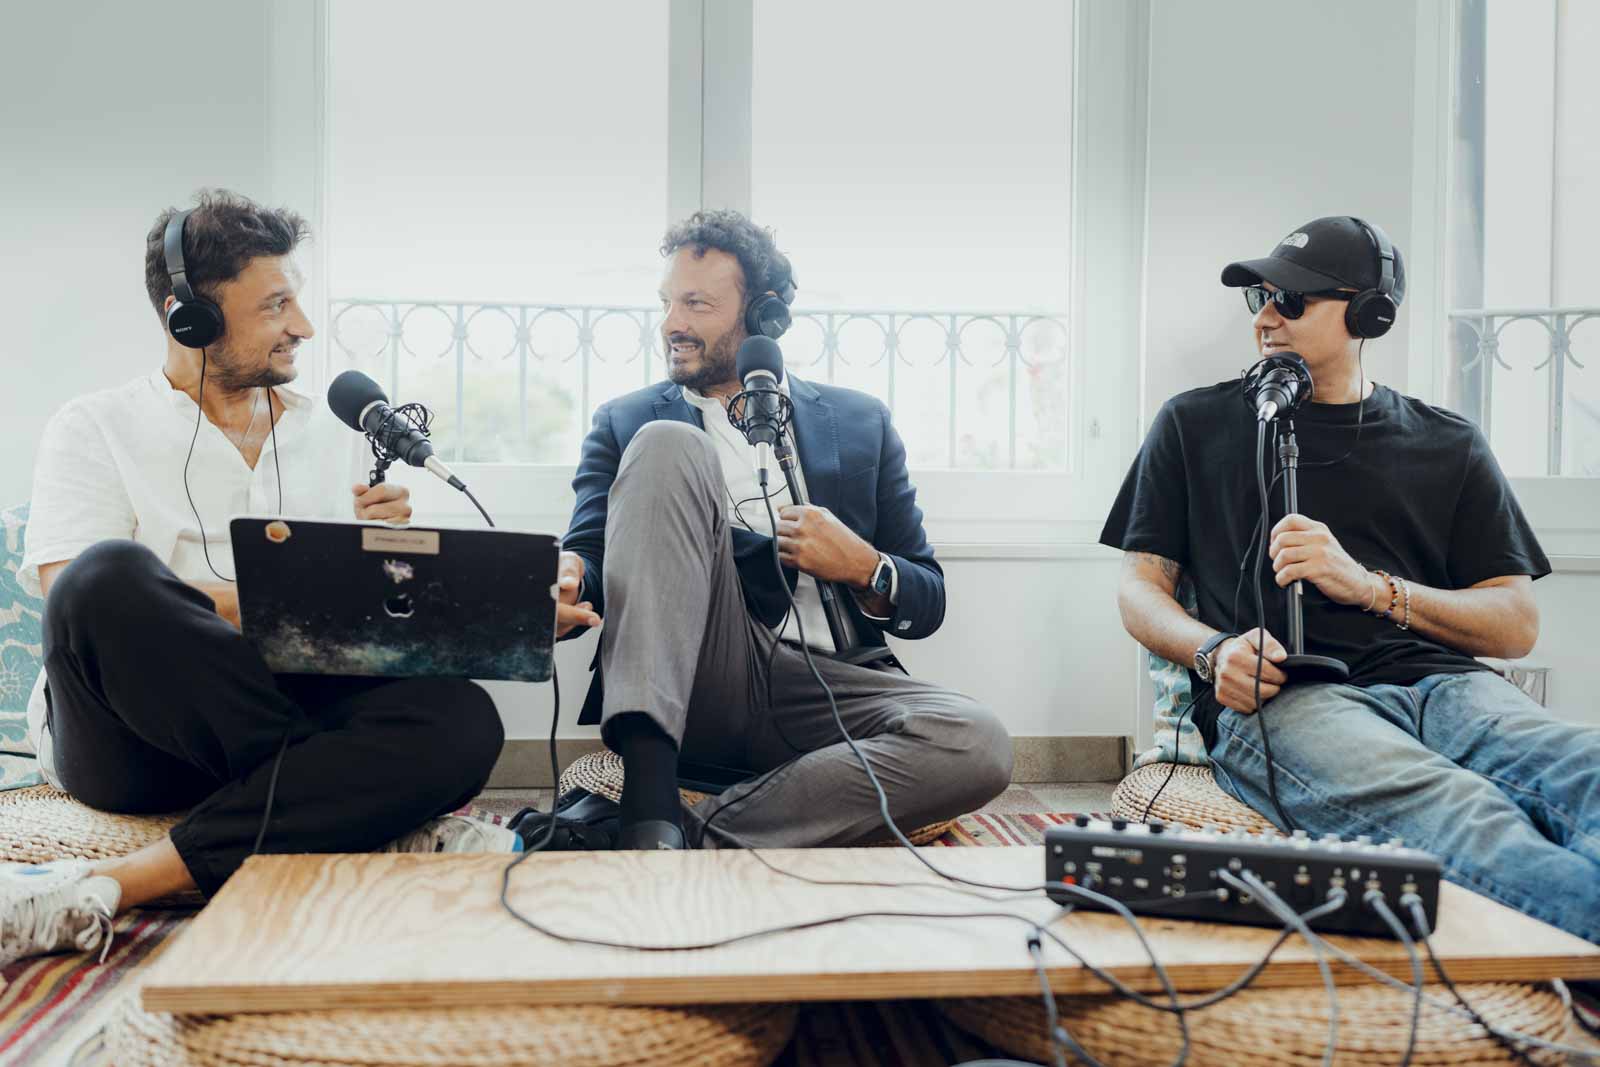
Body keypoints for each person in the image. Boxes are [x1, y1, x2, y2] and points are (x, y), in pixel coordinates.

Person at [0, 190, 513, 970]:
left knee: (465, 717)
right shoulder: (93, 425)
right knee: (104, 576)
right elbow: (72, 601)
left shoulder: (333, 435)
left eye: (296, 300)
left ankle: (120, 881)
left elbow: (358, 634)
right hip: (131, 736)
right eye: (276, 305)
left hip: (284, 694)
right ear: (189, 317)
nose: (303, 326)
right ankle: (357, 807)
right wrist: (273, 606)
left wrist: (395, 567)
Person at [1102, 215, 1600, 945]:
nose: (1265, 318)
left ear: (1370, 314)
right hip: (1289, 699)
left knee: (1587, 768)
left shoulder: (1450, 442)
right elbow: (1139, 587)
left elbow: (1515, 624)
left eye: (1290, 300)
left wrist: (1370, 587)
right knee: (1463, 811)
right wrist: (1213, 651)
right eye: (1259, 299)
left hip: (1448, 687)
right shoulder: (1192, 424)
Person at [523, 209, 1012, 851]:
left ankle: (692, 835)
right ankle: (648, 803)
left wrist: (863, 565)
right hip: (702, 678)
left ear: (764, 314)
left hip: (832, 684)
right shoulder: (628, 420)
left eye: (696, 304)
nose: (671, 323)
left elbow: (928, 596)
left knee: (979, 741)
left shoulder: (860, 421)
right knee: (668, 442)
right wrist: (568, 581)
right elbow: (590, 553)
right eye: (667, 302)